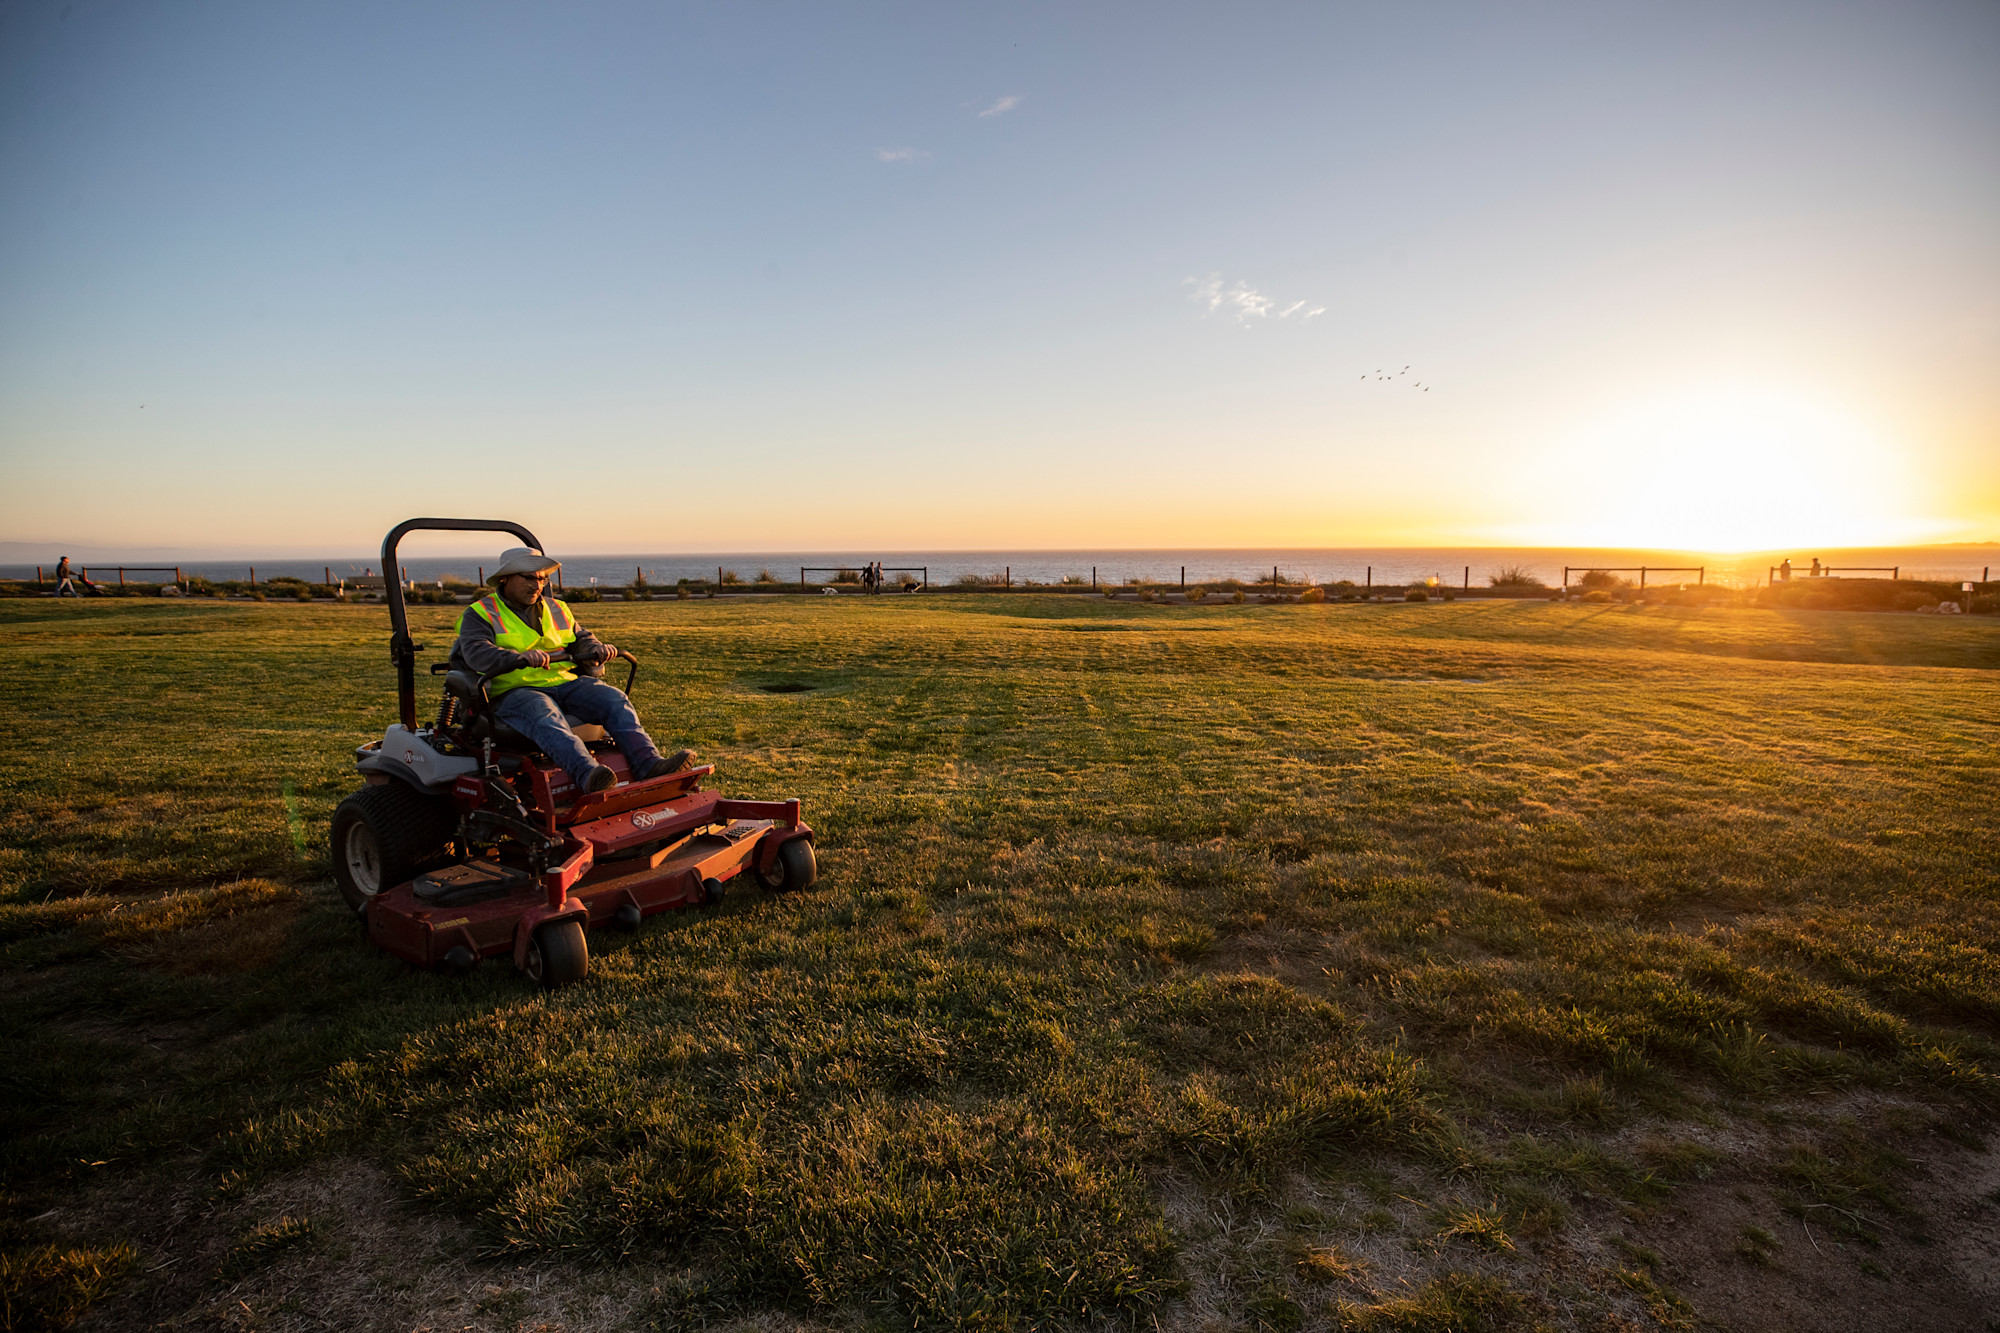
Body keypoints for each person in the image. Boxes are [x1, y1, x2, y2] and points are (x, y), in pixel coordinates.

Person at [450, 546, 695, 794]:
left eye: (542, 578)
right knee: (544, 712)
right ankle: (588, 774)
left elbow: (581, 638)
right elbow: (476, 651)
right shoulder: (481, 613)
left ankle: (649, 765)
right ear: (506, 578)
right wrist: (518, 657)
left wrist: (596, 648)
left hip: (564, 682)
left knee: (613, 698)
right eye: (529, 578)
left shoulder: (557, 608)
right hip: (514, 690)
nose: (537, 585)